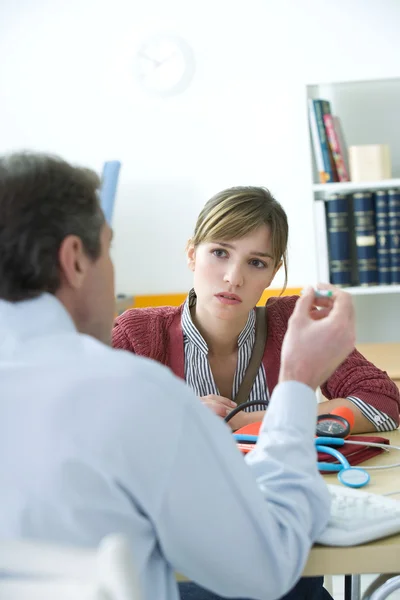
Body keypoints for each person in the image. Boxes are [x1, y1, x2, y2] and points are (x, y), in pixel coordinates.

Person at [0, 153, 356, 600]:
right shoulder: (137, 392)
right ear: (75, 259)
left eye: (257, 262)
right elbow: (265, 566)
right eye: (108, 250)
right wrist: (298, 383)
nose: (233, 276)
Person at [113, 186, 400, 435]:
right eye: (220, 253)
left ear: (273, 273)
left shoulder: (291, 324)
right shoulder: (138, 335)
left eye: (256, 263)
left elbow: (382, 405)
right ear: (192, 254)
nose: (234, 278)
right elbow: (81, 418)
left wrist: (244, 421)